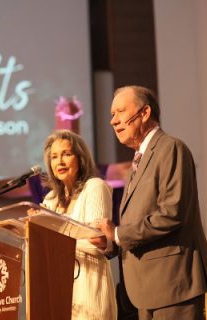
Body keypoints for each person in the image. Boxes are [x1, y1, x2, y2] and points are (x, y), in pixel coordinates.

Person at [96, 85, 207, 319]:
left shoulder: (171, 148)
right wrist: (109, 242)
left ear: (145, 113)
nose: (113, 121)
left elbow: (171, 214)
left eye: (119, 111)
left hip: (173, 284)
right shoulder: (138, 159)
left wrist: (118, 234)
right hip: (146, 288)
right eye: (111, 114)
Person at [39, 129, 117, 319]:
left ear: (80, 159)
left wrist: (53, 236)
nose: (60, 162)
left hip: (89, 292)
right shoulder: (51, 199)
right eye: (54, 157)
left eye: (66, 154)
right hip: (58, 294)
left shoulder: (95, 187)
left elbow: (97, 244)